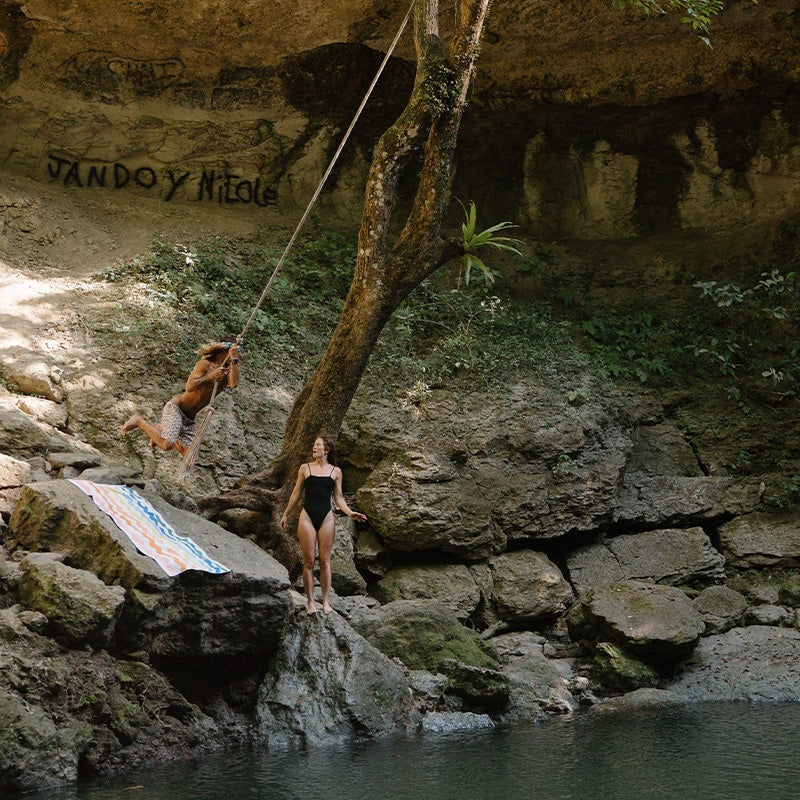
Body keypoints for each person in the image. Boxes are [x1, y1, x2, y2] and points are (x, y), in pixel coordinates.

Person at [280, 435, 367, 615]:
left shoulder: (336, 471)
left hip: (326, 516)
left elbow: (339, 498)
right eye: (314, 444)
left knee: (325, 561)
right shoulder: (305, 468)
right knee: (309, 561)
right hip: (307, 516)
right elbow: (296, 494)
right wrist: (286, 514)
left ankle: (326, 602)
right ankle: (310, 602)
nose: (314, 447)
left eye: (318, 445)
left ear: (326, 450)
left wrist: (350, 513)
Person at [121, 336, 240, 456]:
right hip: (177, 408)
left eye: (236, 353)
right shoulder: (205, 364)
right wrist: (211, 376)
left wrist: (234, 360)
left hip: (190, 419)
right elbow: (190, 386)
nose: (235, 356)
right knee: (167, 444)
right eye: (232, 353)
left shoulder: (228, 372)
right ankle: (138, 421)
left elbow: (234, 384)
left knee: (190, 459)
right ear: (224, 351)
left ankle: (162, 430)